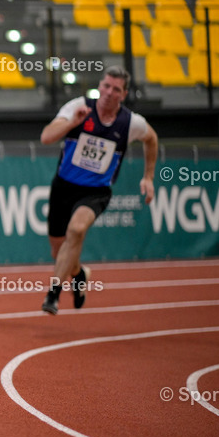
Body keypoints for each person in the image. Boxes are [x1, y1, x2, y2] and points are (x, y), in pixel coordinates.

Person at [39, 66, 158, 315]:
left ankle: (54, 294)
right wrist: (73, 122)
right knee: (58, 250)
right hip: (64, 186)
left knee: (77, 229)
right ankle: (79, 274)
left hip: (95, 191)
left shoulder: (130, 123)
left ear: (123, 95)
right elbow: (46, 137)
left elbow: (152, 138)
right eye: (106, 85)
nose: (108, 92)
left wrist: (148, 176)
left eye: (116, 89)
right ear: (99, 86)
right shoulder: (78, 107)